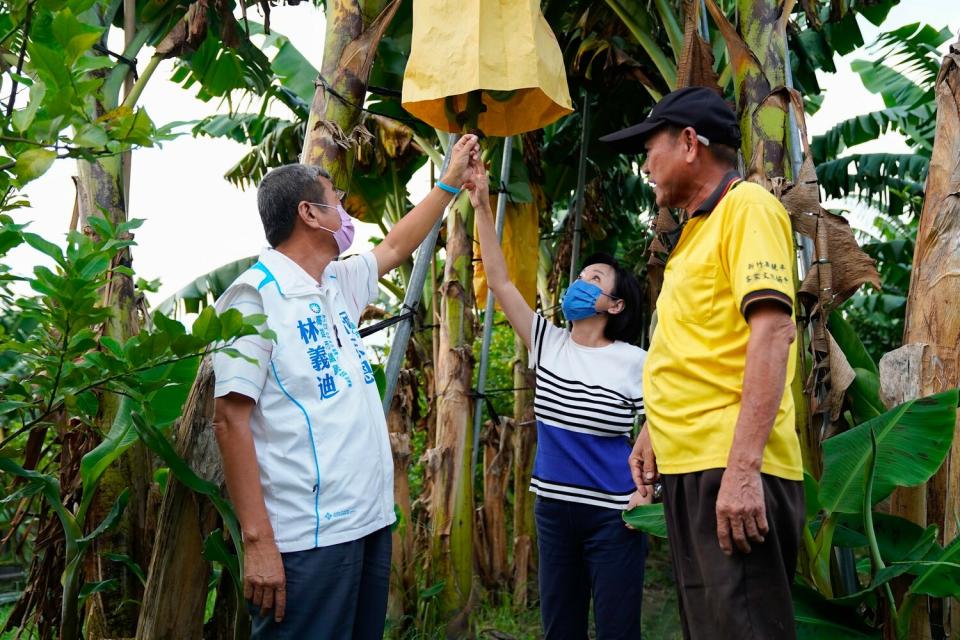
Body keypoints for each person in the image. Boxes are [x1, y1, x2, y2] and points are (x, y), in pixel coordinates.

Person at [211, 135, 480, 639]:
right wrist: (257, 541)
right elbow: (230, 420)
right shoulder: (253, 298)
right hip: (308, 539)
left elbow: (398, 244)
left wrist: (450, 180)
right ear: (310, 214)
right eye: (337, 201)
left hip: (367, 522)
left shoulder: (336, 282)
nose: (346, 212)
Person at [600, 86, 804, 639]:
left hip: (730, 469)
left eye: (650, 148)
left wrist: (742, 472)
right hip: (695, 471)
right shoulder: (695, 232)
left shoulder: (748, 207)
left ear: (690, 143)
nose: (644, 164)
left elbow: (773, 331)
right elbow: (697, 350)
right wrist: (656, 430)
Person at [463, 155, 650, 639]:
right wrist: (483, 205)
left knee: (617, 630)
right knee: (559, 629)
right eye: (581, 275)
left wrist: (647, 494)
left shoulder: (636, 361)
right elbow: (501, 283)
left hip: (615, 515)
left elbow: (661, 428)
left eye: (594, 280)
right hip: (553, 511)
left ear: (615, 304)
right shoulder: (548, 342)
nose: (579, 284)